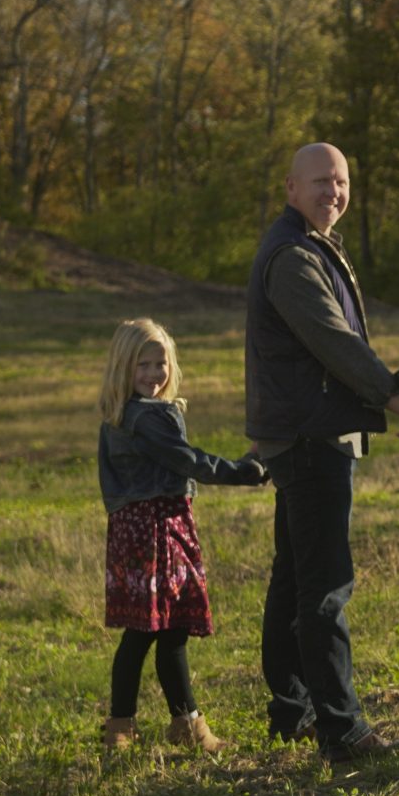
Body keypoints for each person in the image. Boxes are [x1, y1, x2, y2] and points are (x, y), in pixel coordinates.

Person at [245, 143, 399, 763]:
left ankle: (291, 709)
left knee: (295, 576)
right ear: (290, 186)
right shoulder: (294, 256)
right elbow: (336, 345)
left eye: (342, 181)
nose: (334, 191)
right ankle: (342, 729)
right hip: (311, 439)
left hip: (302, 433)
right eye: (321, 181)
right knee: (323, 587)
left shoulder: (310, 245)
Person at [95, 318, 267, 752]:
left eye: (161, 363)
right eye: (143, 365)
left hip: (149, 528)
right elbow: (186, 461)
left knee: (166, 629)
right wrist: (243, 472)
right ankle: (133, 725)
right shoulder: (143, 419)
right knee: (149, 631)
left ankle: (173, 724)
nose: (154, 374)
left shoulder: (125, 415)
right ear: (123, 369)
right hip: (155, 531)